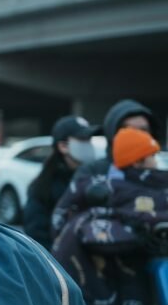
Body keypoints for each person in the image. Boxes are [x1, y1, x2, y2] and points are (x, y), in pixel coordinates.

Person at [51, 127, 168, 305]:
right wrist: (141, 231)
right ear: (137, 161)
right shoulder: (109, 190)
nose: (156, 162)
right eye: (151, 156)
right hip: (112, 280)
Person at [52, 99, 159, 239]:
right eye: (128, 129)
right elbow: (65, 223)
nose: (136, 135)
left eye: (144, 130)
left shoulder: (159, 174)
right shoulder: (92, 173)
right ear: (112, 132)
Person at [22, 115, 99, 249]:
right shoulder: (43, 187)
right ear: (63, 146)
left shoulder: (96, 177)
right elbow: (36, 235)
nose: (88, 144)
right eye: (82, 139)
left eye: (89, 140)